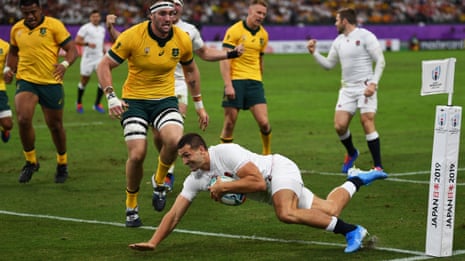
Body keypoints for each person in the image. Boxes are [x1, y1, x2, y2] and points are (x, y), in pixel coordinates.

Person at [128, 133, 388, 253]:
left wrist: (223, 186)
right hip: (270, 189)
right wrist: (153, 242)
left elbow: (257, 183)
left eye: (187, 156)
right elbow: (174, 215)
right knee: (330, 209)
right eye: (181, 158)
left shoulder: (225, 153)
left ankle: (352, 231)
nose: (184, 162)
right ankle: (355, 179)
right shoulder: (196, 179)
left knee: (285, 213)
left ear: (202, 150)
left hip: (278, 171)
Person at [105, 0, 244, 200]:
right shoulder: (142, 31)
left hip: (176, 85)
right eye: (167, 9)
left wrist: (228, 54)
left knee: (173, 137)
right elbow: (126, 45)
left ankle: (164, 176)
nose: (173, 11)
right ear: (153, 13)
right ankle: (164, 172)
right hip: (143, 88)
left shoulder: (188, 32)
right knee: (158, 137)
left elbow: (203, 54)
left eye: (176, 6)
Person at [96, 0, 209, 228]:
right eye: (163, 14)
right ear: (151, 15)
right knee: (137, 154)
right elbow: (104, 65)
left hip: (165, 100)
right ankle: (131, 205)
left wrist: (199, 104)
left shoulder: (182, 38)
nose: (168, 18)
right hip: (135, 102)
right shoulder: (132, 35)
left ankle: (159, 181)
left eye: (172, 13)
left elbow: (190, 69)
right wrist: (110, 97)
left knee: (174, 140)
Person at [3, 0, 78, 183]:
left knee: (55, 125)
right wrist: (8, 68)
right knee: (23, 119)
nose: (29, 16)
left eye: (33, 12)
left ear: (40, 9)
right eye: (25, 13)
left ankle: (62, 162)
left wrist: (65, 64)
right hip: (26, 80)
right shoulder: (17, 29)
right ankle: (31, 161)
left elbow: (72, 49)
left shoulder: (54, 25)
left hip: (51, 82)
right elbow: (13, 52)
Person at [306, 8, 386, 173]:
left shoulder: (365, 36)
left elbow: (380, 61)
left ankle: (378, 166)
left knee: (367, 121)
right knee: (339, 126)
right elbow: (329, 65)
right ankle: (351, 152)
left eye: (336, 20)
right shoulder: (339, 41)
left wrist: (373, 83)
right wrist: (314, 53)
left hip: (365, 86)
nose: (335, 23)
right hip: (347, 89)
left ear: (344, 21)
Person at [219, 0, 272, 156]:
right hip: (235, 80)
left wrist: (260, 79)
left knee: (264, 122)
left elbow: (260, 59)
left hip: (255, 82)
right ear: (250, 11)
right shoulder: (234, 30)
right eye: (258, 12)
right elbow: (224, 59)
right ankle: (224, 158)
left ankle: (267, 154)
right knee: (229, 124)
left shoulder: (264, 34)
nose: (261, 16)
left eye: (263, 14)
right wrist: (228, 85)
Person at [74, 9, 106, 114]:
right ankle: (79, 102)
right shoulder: (85, 28)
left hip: (99, 58)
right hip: (88, 58)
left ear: (99, 17)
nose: (96, 18)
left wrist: (104, 51)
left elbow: (101, 42)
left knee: (102, 81)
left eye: (97, 16)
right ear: (90, 18)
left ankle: (97, 104)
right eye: (93, 16)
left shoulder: (102, 29)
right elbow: (77, 40)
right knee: (84, 80)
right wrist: (87, 44)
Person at [0, 37, 13, 143]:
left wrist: (9, 72)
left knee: (8, 124)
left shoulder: (5, 46)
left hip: (0, 89)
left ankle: (4, 130)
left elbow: (10, 66)